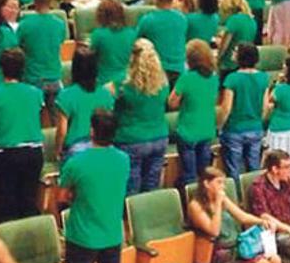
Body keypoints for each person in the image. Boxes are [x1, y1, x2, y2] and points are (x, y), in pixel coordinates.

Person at [58, 111, 132, 263]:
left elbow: (63, 196)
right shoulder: (123, 160)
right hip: (112, 235)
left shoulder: (77, 162)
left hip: (81, 238)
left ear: (92, 131)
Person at [189, 166, 283, 263]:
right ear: (206, 183)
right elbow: (214, 231)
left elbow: (242, 217)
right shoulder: (196, 206)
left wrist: (263, 221)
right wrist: (218, 205)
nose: (222, 187)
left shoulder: (222, 198)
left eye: (223, 183)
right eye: (219, 183)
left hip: (237, 245)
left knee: (275, 260)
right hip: (219, 251)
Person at [0, 48, 44, 221]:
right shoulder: (35, 93)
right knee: (29, 202)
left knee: (6, 207)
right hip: (33, 153)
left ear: (1, 68)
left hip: (4, 155)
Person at [113, 39, 170, 194]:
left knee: (132, 189)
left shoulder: (123, 83)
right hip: (159, 137)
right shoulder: (163, 83)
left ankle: (130, 218)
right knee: (152, 189)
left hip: (131, 139)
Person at [168, 41, 219, 188]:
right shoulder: (214, 78)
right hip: (207, 130)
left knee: (189, 175)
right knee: (204, 175)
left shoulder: (186, 78)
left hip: (188, 131)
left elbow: (172, 102)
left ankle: (188, 205)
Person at [218, 43, 269, 185]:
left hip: (234, 129)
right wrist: (259, 122)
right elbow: (265, 107)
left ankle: (238, 197)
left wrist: (220, 126)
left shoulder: (232, 78)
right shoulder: (263, 77)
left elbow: (226, 108)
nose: (233, 53)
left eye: (235, 51)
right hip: (255, 127)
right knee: (254, 168)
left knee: (234, 169)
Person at [16, 0, 66, 123]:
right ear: (51, 0)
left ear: (34, 0)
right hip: (55, 77)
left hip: (33, 79)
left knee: (31, 121)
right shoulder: (60, 24)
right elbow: (60, 44)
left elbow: (17, 48)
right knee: (58, 122)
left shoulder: (24, 24)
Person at [55, 46, 115, 161]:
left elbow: (62, 130)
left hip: (75, 150)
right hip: (102, 148)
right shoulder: (106, 94)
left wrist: (58, 150)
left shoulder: (66, 95)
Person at [137, 0, 188, 86]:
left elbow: (136, 42)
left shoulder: (148, 20)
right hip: (179, 69)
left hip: (156, 71)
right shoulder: (182, 18)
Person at [91, 0, 139, 86]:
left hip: (105, 83)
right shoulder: (132, 33)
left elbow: (90, 58)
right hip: (128, 82)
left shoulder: (98, 34)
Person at [217, 0, 257, 76]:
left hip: (229, 64)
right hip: (245, 63)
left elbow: (224, 46)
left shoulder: (233, 20)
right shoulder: (251, 20)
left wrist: (217, 59)